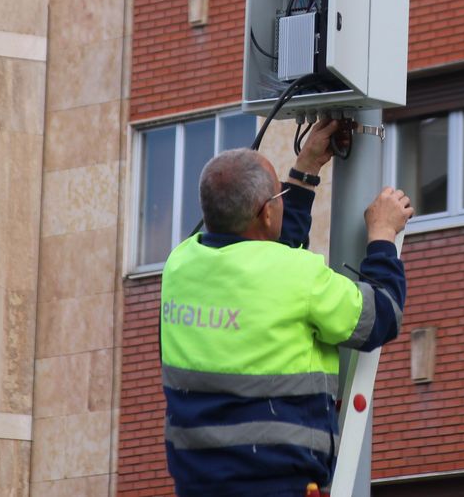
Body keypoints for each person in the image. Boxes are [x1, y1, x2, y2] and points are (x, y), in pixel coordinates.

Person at [159, 116, 414, 497]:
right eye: (278, 197)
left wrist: (305, 171)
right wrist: (382, 237)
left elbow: (263, 257)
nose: (280, 203)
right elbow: (381, 316)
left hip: (197, 485)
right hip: (281, 486)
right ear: (266, 213)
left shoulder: (179, 266)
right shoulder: (298, 276)